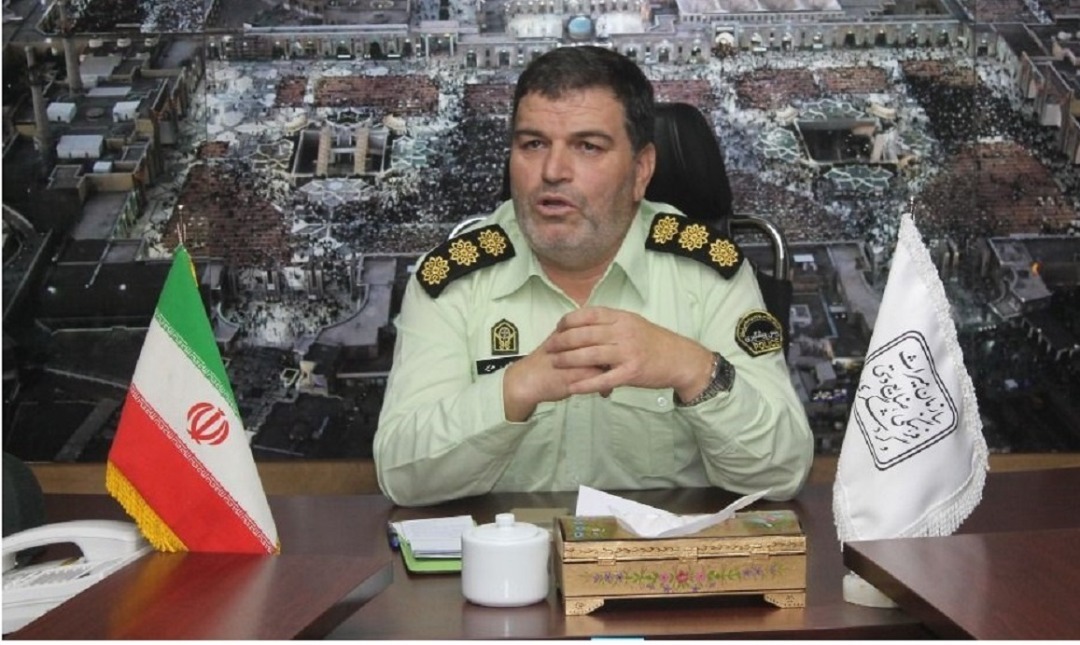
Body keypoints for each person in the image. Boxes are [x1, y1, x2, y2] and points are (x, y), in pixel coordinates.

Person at [374, 45, 813, 506]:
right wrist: (514, 390)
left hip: (665, 549)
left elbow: (782, 473)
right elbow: (403, 477)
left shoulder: (708, 272)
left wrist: (692, 369)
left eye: (588, 146)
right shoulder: (454, 277)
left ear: (641, 170)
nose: (552, 172)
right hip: (505, 548)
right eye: (533, 144)